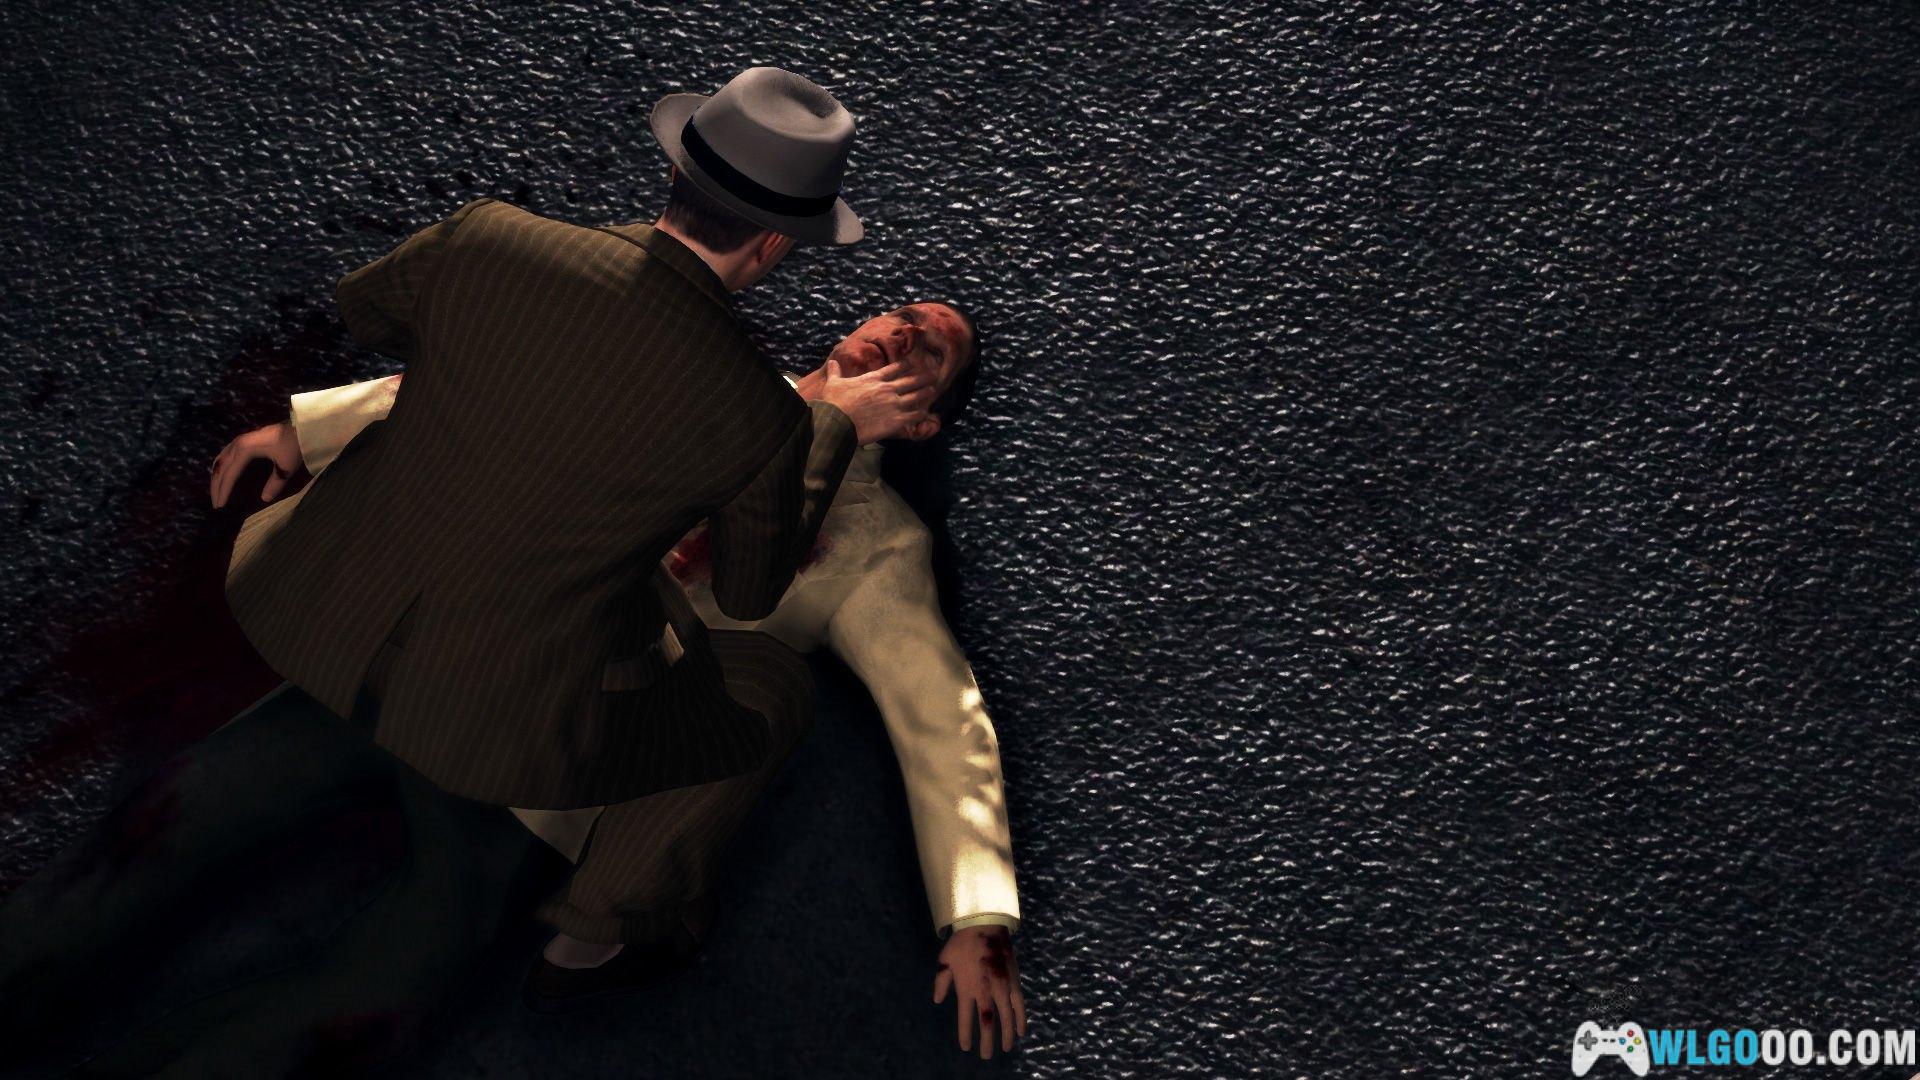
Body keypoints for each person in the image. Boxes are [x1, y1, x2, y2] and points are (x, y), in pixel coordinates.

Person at [220, 65, 939, 996]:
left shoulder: (488, 235)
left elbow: (374, 316)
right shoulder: (760, 418)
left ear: (676, 172)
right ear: (772, 245)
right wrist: (829, 426)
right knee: (761, 695)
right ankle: (612, 917)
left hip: (301, 599)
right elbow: (749, 590)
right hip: (490, 726)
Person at [256, 301, 1029, 1056]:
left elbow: (940, 714)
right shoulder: (712, 380)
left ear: (922, 424)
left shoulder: (876, 547)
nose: (903, 336)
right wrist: (311, 429)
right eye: (900, 319)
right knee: (208, 807)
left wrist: (979, 916)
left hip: (531, 781)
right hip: (425, 663)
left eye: (930, 351)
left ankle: (601, 928)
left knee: (359, 1004)